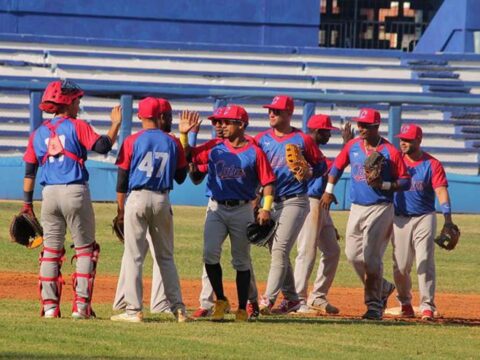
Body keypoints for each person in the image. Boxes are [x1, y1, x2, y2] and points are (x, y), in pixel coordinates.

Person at [22, 79, 122, 319]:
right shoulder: (77, 126)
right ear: (67, 102)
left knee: (51, 251)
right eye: (77, 100)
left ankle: (49, 308)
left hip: (48, 195)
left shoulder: (38, 133)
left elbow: (29, 172)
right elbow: (101, 146)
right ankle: (80, 308)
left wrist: (27, 204)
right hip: (74, 191)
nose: (79, 104)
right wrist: (115, 125)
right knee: (86, 249)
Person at [181, 105, 275, 322]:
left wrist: (266, 208)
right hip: (216, 207)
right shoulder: (214, 147)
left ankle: (243, 307)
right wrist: (185, 135)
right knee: (209, 253)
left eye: (225, 122)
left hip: (242, 209)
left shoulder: (255, 152)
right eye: (217, 122)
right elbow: (189, 157)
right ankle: (221, 300)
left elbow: (268, 182)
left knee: (241, 261)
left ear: (241, 125)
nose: (219, 126)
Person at [320, 108, 411, 320]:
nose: (361, 128)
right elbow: (337, 167)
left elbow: (405, 181)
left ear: (376, 127)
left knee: (371, 258)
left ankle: (374, 305)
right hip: (357, 207)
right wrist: (328, 191)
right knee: (352, 255)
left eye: (366, 126)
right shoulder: (352, 146)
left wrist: (385, 184)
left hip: (381, 207)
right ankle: (383, 287)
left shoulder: (390, 151)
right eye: (360, 124)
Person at [110, 97, 189, 323]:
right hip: (162, 198)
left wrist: (120, 209)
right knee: (166, 257)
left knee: (134, 257)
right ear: (160, 117)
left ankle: (134, 310)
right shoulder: (172, 142)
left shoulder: (132, 140)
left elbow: (122, 178)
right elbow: (181, 177)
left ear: (140, 116)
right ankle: (179, 309)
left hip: (137, 197)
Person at [255, 95, 327, 315]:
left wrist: (310, 172)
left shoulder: (302, 139)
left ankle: (267, 300)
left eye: (276, 111)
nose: (271, 114)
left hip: (295, 199)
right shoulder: (261, 139)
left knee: (279, 249)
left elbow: (322, 165)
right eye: (270, 110)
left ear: (289, 114)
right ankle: (293, 299)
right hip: (270, 202)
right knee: (277, 251)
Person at [391, 124, 455, 321]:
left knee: (425, 260)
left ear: (419, 140)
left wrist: (447, 218)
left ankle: (427, 305)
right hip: (399, 218)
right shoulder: (395, 161)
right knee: (400, 266)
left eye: (408, 139)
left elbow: (441, 190)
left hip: (424, 217)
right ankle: (405, 302)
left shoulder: (432, 164)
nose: (403, 142)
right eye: (402, 138)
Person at [293, 114, 353, 314]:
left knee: (332, 251)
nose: (329, 135)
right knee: (307, 251)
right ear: (317, 132)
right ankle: (297, 298)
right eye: (327, 131)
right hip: (309, 203)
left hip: (320, 204)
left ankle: (317, 296)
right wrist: (347, 146)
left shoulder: (314, 150)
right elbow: (332, 170)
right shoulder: (305, 151)